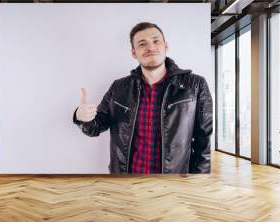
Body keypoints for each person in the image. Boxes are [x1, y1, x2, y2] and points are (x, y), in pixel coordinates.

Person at [73, 22, 213, 174]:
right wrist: (81, 117)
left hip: (173, 183)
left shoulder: (195, 85)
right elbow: (95, 127)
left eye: (156, 41)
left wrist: (199, 182)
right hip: (126, 183)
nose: (150, 47)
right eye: (142, 44)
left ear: (166, 46)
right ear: (134, 52)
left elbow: (203, 141)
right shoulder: (119, 88)